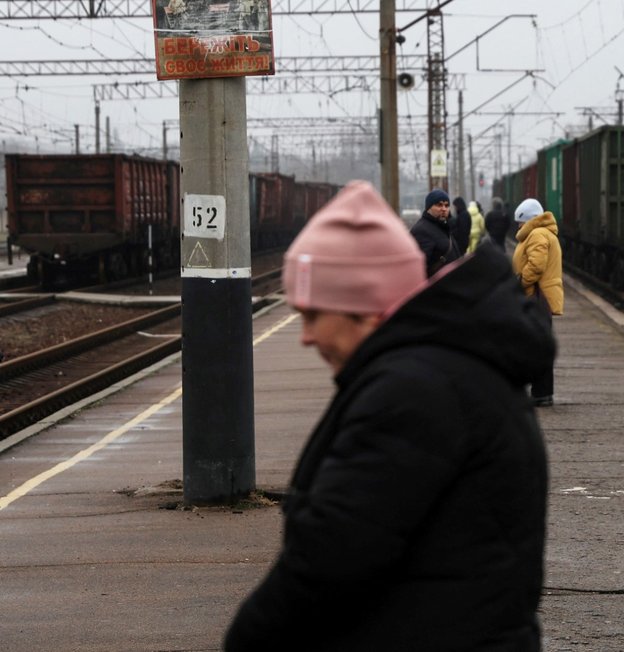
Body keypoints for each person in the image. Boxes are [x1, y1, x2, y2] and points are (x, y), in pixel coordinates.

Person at [224, 180, 555, 651]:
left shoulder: (413, 393)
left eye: (314, 315)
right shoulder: (440, 368)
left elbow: (330, 556)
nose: (306, 336)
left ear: (364, 307)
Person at [511, 197, 564, 408]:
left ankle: (541, 393)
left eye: (520, 222)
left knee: (536, 346)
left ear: (528, 220)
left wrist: (520, 282)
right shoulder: (541, 233)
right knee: (538, 344)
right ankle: (542, 392)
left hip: (536, 297)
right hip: (539, 298)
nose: (518, 226)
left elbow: (536, 265)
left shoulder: (537, 234)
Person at [410, 188, 461, 277]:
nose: (444, 209)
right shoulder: (421, 230)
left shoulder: (443, 227)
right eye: (439, 205)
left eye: (446, 205)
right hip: (437, 288)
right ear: (429, 208)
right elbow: (419, 269)